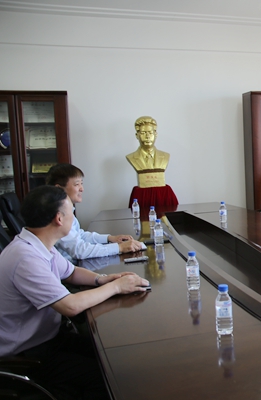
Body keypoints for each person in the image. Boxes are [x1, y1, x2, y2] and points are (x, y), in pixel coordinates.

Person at [0, 185, 150, 398]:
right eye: (71, 211)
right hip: (27, 353)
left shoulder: (38, 243)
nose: (74, 216)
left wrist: (101, 279)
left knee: (117, 359)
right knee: (108, 379)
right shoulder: (25, 257)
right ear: (59, 218)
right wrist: (116, 287)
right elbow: (69, 306)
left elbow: (70, 272)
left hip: (49, 337)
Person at [46, 163, 144, 263]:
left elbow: (80, 235)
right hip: (67, 268)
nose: (82, 189)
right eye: (77, 184)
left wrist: (110, 238)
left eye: (81, 183)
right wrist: (119, 248)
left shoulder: (66, 209)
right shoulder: (57, 215)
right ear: (59, 188)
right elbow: (80, 251)